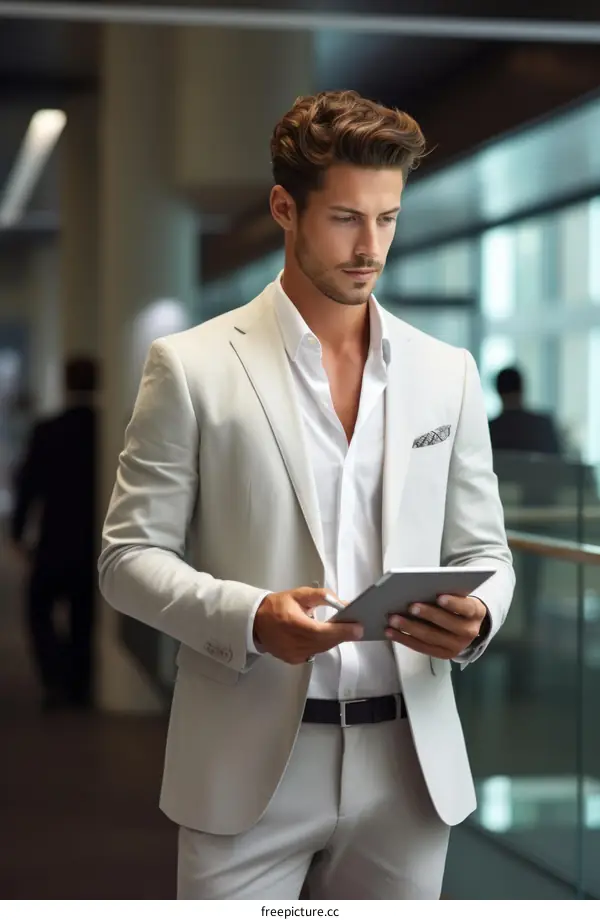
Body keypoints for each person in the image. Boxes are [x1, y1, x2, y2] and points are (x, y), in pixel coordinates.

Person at [99, 90, 515, 900]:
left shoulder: (446, 372)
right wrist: (250, 619)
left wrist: (479, 616)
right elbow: (127, 558)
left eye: (388, 219)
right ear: (286, 209)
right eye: (346, 219)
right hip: (249, 764)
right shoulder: (191, 365)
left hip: (409, 765)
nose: (371, 248)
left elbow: (485, 552)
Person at [11, 356, 98, 711]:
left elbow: (28, 486)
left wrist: (18, 531)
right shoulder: (106, 430)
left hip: (53, 539)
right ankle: (78, 684)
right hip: (95, 540)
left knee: (37, 608)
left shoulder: (47, 430)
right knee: (84, 615)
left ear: (65, 382)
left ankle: (55, 677)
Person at [489, 366, 561, 455]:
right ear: (522, 388)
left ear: (498, 391)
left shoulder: (490, 431)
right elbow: (558, 462)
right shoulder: (543, 426)